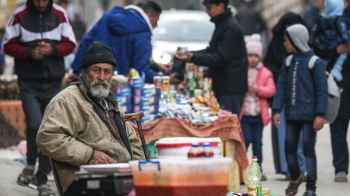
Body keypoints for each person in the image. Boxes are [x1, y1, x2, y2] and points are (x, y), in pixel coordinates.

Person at [36, 42, 145, 196]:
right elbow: (48, 138)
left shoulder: (108, 101)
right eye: (96, 70)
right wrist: (90, 155)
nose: (101, 77)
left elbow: (132, 140)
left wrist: (140, 169)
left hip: (119, 177)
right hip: (86, 183)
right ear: (85, 73)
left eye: (107, 72)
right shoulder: (67, 100)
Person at [2, 0, 76, 195]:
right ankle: (30, 162)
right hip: (28, 82)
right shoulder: (19, 14)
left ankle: (42, 174)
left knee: (48, 127)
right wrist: (29, 52)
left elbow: (70, 44)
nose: (42, 4)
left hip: (53, 81)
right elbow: (7, 45)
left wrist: (52, 50)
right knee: (35, 124)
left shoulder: (60, 14)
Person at [272, 24, 328, 196]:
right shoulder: (288, 62)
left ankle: (311, 188)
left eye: (287, 41)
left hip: (310, 117)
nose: (284, 44)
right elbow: (281, 87)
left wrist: (320, 114)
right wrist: (276, 109)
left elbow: (321, 91)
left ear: (297, 41)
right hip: (292, 115)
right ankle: (295, 178)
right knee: (289, 148)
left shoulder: (315, 62)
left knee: (307, 150)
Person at [176, 0, 248, 115]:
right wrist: (190, 55)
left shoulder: (230, 28)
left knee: (227, 124)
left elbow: (219, 58)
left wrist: (193, 57)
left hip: (230, 88)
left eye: (210, 8)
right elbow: (211, 50)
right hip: (223, 86)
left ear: (221, 5)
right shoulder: (222, 24)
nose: (207, 12)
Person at [71, 1, 169, 83]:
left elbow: (86, 42)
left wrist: (76, 71)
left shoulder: (108, 16)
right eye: (157, 19)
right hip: (116, 84)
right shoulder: (143, 31)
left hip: (91, 77)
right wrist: (165, 79)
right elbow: (141, 71)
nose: (157, 24)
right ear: (151, 15)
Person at [263, 12, 308, 179]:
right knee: (283, 134)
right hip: (281, 97)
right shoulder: (276, 44)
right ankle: (287, 167)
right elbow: (270, 69)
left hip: (300, 98)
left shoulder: (305, 49)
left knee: (300, 135)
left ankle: (300, 167)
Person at [240, 34, 275, 181]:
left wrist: (258, 90)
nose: (252, 59)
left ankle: (258, 169)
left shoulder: (266, 73)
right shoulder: (242, 71)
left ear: (260, 57)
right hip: (245, 114)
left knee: (257, 144)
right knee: (245, 140)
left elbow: (271, 90)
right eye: (249, 55)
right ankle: (242, 168)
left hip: (258, 115)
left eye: (255, 56)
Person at [328, 0, 350, 183]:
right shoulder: (336, 22)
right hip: (340, 81)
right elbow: (321, 49)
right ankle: (340, 168)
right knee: (338, 125)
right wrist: (336, 50)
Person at [310, 0, 350, 83]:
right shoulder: (339, 20)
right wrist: (346, 40)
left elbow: (313, 37)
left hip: (324, 50)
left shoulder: (321, 18)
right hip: (337, 48)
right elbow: (344, 34)